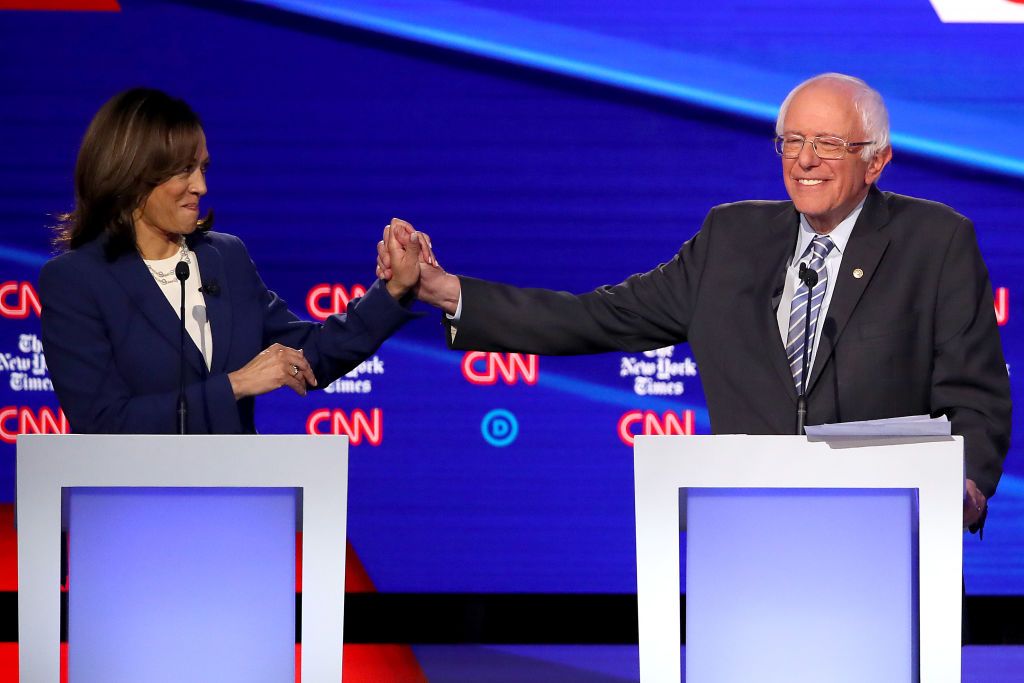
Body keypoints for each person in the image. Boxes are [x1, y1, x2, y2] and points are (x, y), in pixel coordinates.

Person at [378, 73, 1010, 529]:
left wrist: (968, 489)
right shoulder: (731, 238)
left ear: (876, 162)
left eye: (828, 144)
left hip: (889, 534)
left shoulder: (935, 240)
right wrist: (441, 289)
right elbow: (598, 317)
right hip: (743, 529)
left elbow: (975, 395)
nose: (805, 160)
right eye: (792, 142)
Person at [39, 88, 426, 434]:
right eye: (183, 170)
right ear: (131, 175)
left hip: (237, 500)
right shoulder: (77, 280)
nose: (201, 186)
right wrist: (236, 385)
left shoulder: (224, 257)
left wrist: (394, 289)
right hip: (132, 503)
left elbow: (311, 357)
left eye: (203, 168)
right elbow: (104, 423)